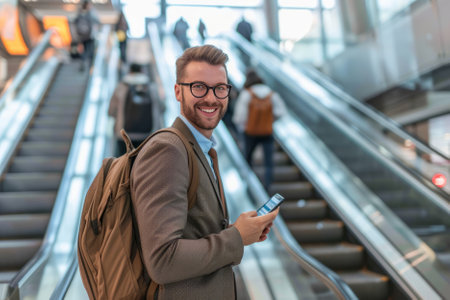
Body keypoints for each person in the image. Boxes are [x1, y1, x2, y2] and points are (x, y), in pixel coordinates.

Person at [130, 45, 279, 299]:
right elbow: (162, 260)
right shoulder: (168, 150)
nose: (211, 98)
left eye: (220, 88)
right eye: (198, 87)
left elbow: (191, 234)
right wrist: (236, 237)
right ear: (178, 91)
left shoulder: (202, 149)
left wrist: (242, 230)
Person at [232, 69, 287, 189]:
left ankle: (248, 183)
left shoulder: (247, 93)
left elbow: (239, 116)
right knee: (268, 160)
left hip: (250, 132)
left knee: (247, 158)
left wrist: (243, 128)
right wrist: (270, 120)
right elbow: (281, 112)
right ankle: (268, 184)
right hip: (267, 131)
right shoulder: (271, 93)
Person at [108, 63, 152, 155]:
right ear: (141, 71)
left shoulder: (121, 87)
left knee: (124, 164)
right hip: (147, 134)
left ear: (130, 72)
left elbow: (111, 111)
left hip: (124, 135)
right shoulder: (150, 88)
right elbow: (162, 108)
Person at [74, 0, 100, 71]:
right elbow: (97, 21)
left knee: (84, 50)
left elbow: (76, 22)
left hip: (82, 36)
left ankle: (83, 62)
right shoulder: (91, 13)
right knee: (90, 51)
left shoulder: (80, 13)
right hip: (90, 36)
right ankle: (90, 66)